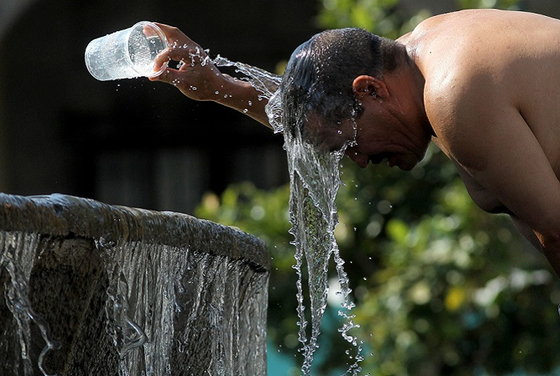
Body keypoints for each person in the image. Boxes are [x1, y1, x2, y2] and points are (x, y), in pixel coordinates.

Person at [149, 9, 560, 277]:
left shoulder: (454, 96)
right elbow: (321, 113)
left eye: (350, 145)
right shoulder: (420, 53)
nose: (359, 160)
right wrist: (219, 86)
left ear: (371, 91)